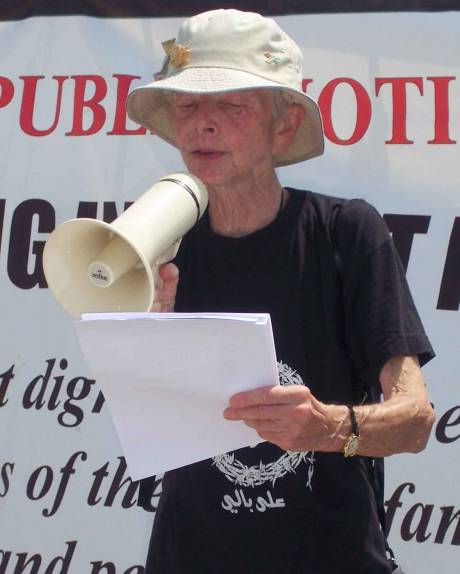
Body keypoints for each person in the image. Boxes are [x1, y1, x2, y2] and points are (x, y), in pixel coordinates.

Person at [126, 9, 435, 573]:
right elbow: (149, 431)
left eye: (230, 104)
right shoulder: (157, 241)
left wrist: (329, 428)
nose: (203, 124)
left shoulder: (346, 232)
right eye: (188, 105)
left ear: (284, 126)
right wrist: (152, 333)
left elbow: (415, 421)